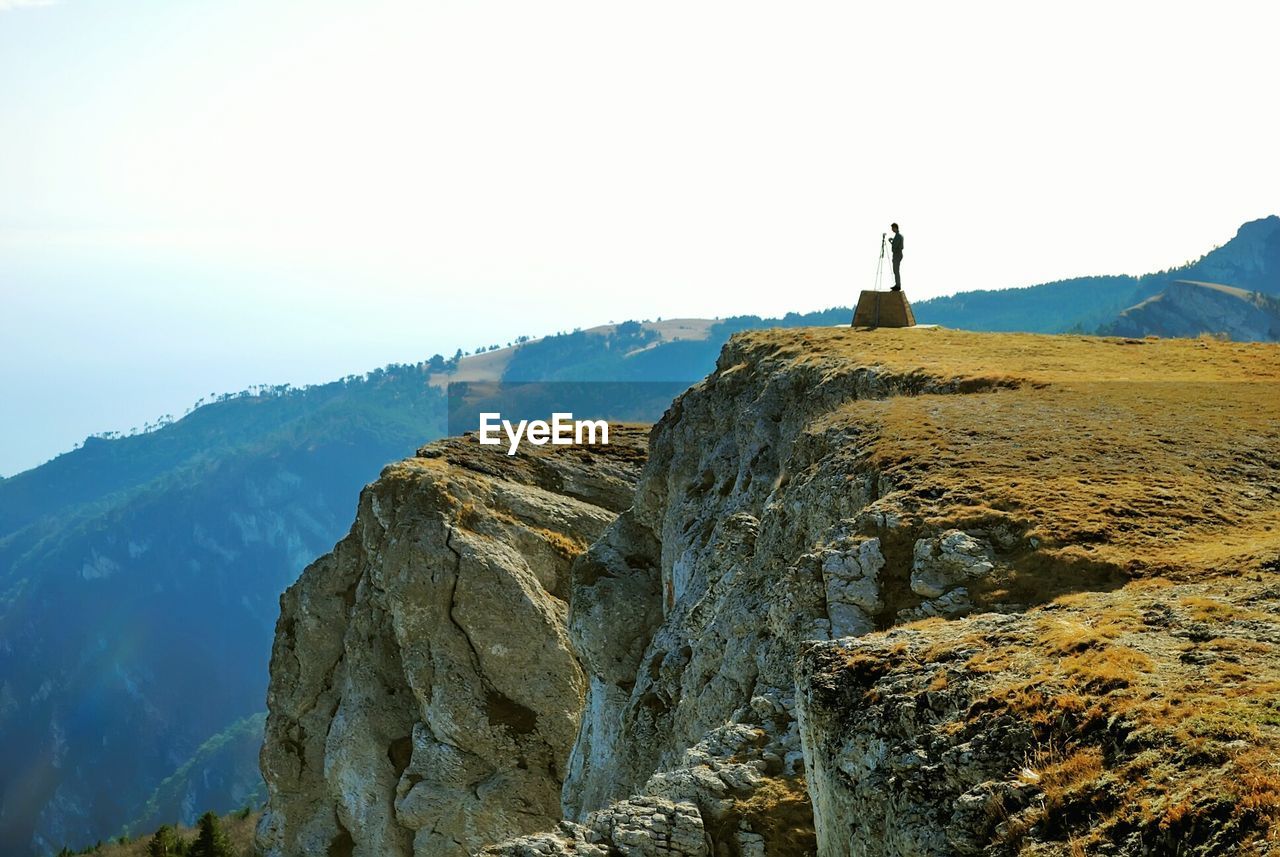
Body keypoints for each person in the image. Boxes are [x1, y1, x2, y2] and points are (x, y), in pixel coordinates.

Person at [889, 223, 904, 291]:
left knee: (896, 270)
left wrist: (892, 242)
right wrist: (892, 241)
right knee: (896, 270)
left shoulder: (898, 236)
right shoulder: (898, 236)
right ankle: (897, 284)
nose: (892, 229)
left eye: (892, 228)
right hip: (898, 254)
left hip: (897, 254)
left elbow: (895, 246)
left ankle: (898, 285)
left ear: (895, 228)